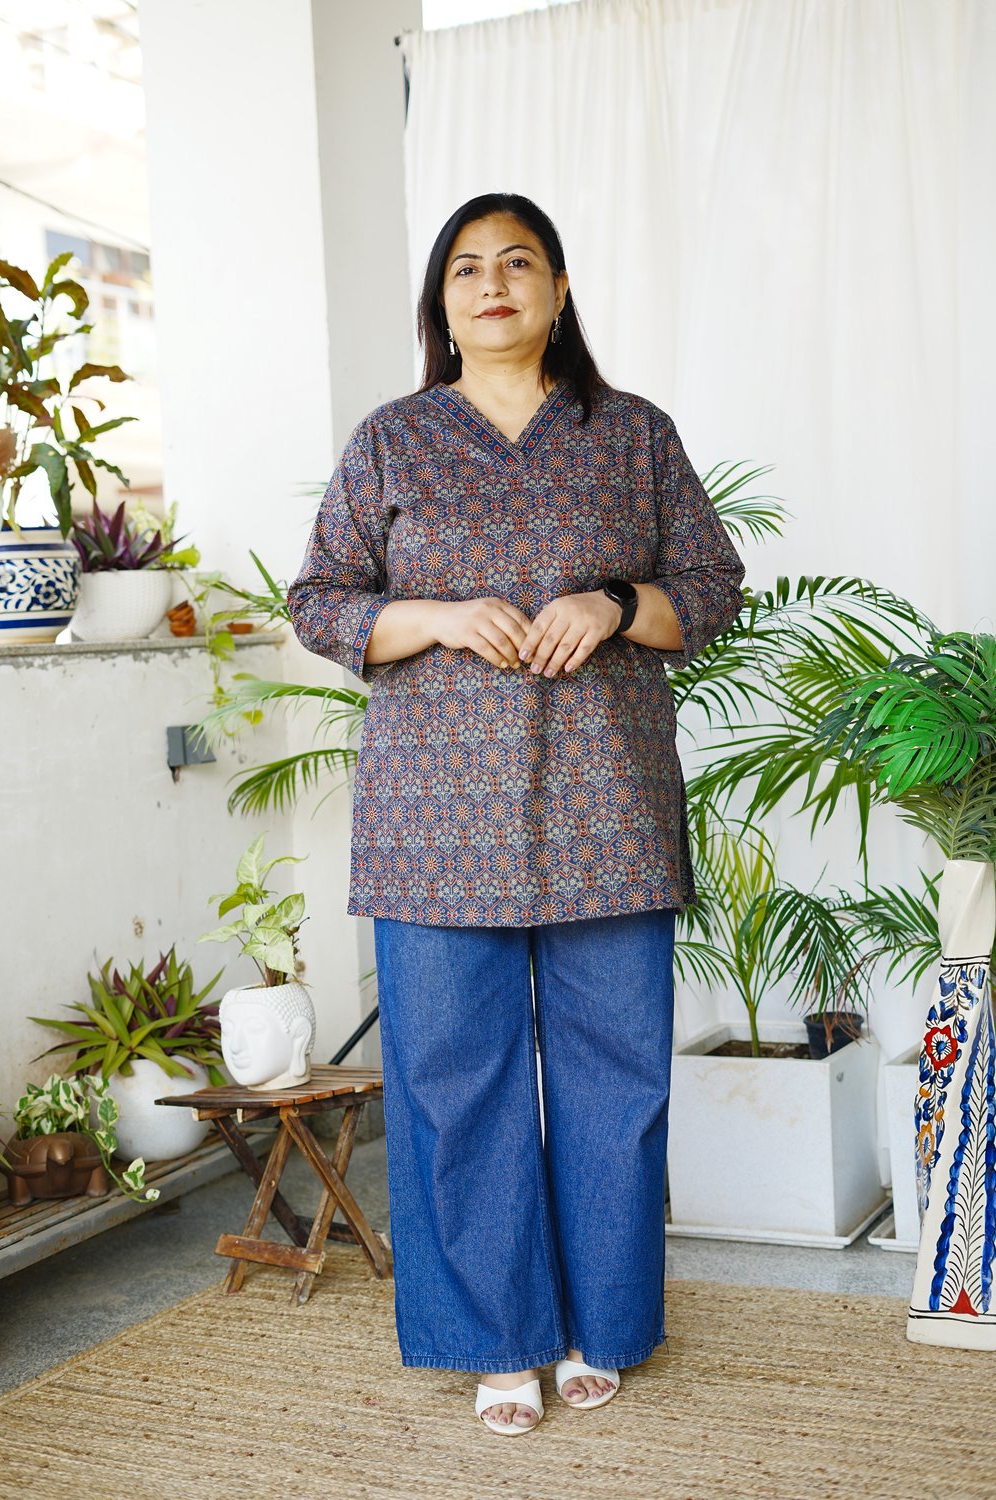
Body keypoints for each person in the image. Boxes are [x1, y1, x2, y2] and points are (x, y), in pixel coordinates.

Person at [287, 191, 746, 1436]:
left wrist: (613, 602)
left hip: (608, 807)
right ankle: (496, 1339)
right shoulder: (392, 440)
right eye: (466, 269)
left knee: (614, 1084)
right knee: (452, 1086)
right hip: (433, 824)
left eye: (518, 263)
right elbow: (319, 600)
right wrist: (434, 616)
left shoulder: (631, 433)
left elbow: (711, 585)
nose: (492, 284)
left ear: (557, 289)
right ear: (442, 304)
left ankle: (604, 1323)